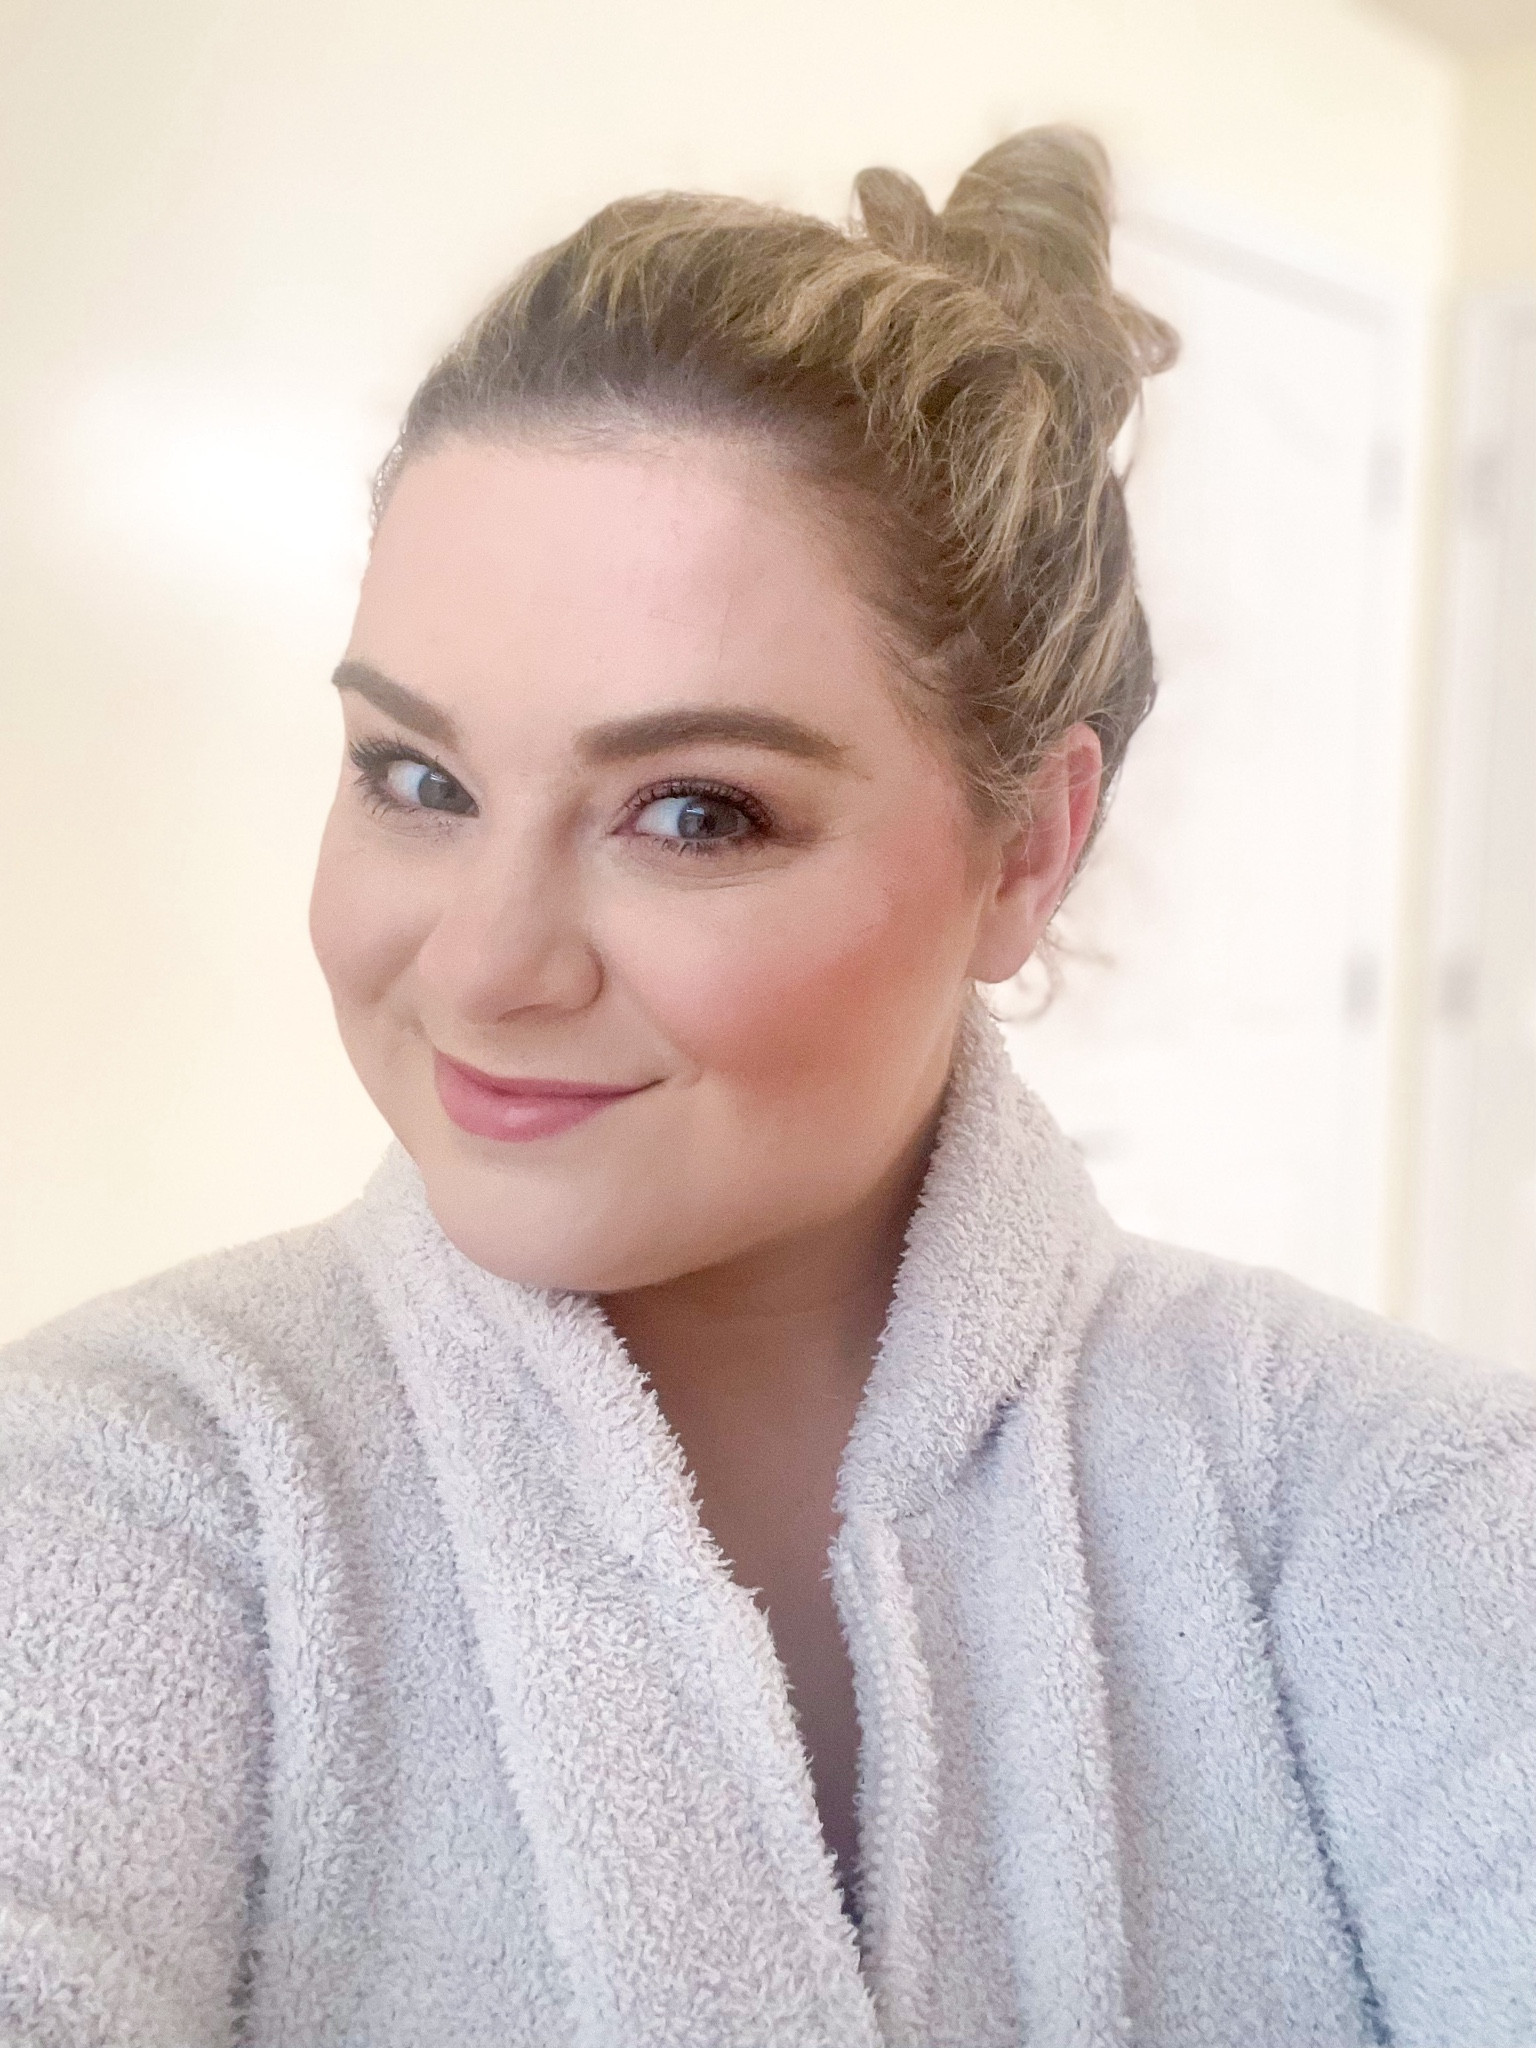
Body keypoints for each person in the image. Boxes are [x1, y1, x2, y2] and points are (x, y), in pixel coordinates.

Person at [1, 126, 1532, 2048]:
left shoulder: (1399, 1500)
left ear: (1029, 852)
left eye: (694, 813)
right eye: (418, 779)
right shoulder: (117, 1485)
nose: (482, 965)